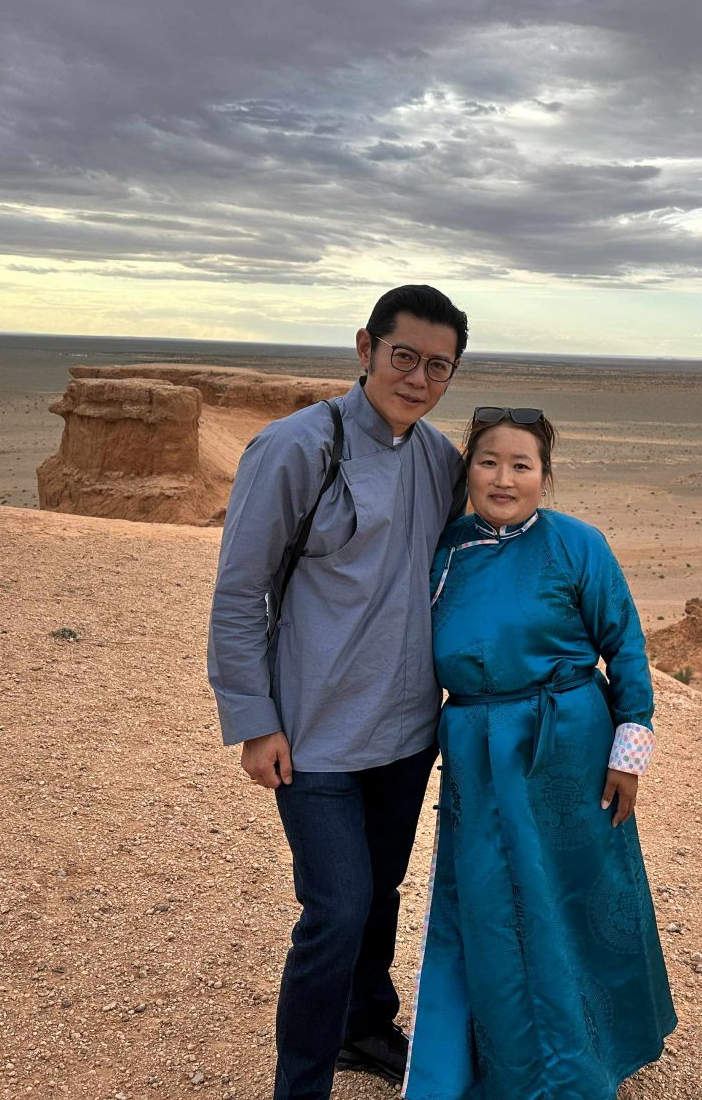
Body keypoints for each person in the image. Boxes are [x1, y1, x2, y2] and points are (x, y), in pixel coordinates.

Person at [207, 284, 469, 1100]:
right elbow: (239, 591)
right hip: (314, 733)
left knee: (379, 893)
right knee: (337, 909)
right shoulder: (295, 447)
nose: (418, 379)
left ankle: (363, 1025)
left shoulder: (440, 462)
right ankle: (302, 1086)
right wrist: (254, 721)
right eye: (404, 357)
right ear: (365, 348)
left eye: (438, 366)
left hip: (408, 731)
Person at [404, 407, 677, 1100]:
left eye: (521, 465)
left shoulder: (578, 544)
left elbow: (625, 647)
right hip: (475, 754)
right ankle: (509, 1066)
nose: (504, 478)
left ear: (543, 477)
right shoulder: (442, 551)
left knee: (575, 899)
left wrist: (629, 756)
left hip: (569, 753)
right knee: (492, 905)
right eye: (488, 462)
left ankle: (591, 1058)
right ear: (468, 471)